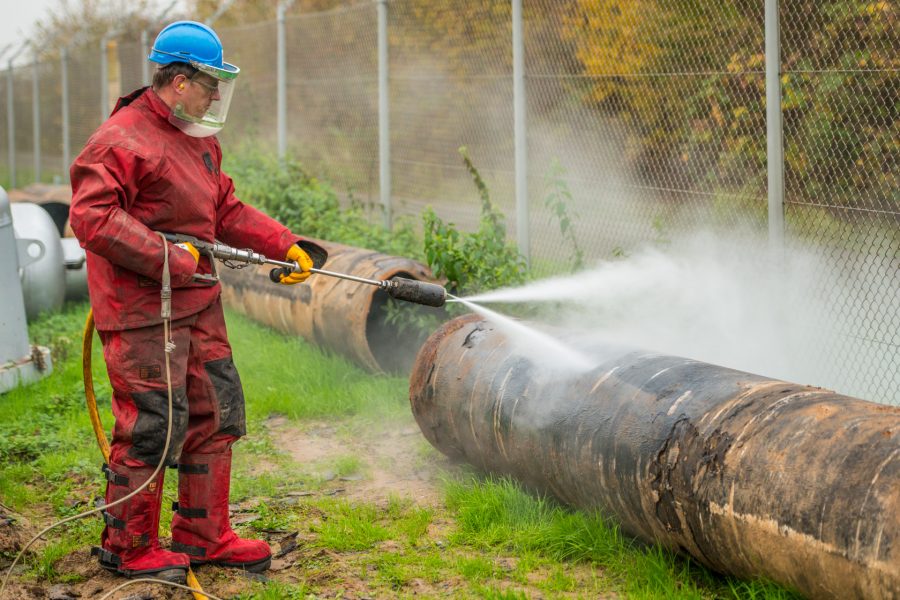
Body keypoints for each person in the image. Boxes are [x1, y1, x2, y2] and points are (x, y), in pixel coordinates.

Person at [69, 21, 326, 584]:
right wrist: (170, 255)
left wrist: (283, 244)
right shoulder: (120, 141)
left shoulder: (196, 136)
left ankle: (203, 536)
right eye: (210, 84)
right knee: (151, 426)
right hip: (143, 312)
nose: (216, 96)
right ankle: (129, 548)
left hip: (196, 303)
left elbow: (224, 208)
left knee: (215, 410)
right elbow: (90, 217)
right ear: (179, 81)